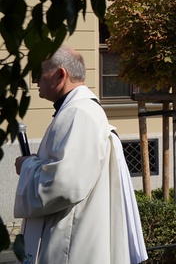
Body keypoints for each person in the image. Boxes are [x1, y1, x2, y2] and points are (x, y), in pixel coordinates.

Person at [14, 46, 147, 264]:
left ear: (60, 75)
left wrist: (29, 166)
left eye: (39, 72)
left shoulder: (78, 113)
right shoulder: (78, 111)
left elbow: (65, 185)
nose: (35, 80)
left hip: (71, 242)